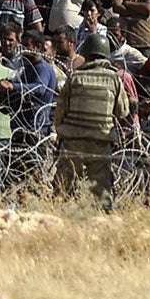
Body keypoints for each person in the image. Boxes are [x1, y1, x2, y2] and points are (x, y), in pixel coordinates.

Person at [53, 29, 130, 204]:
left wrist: (59, 134)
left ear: (86, 55)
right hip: (100, 142)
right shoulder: (114, 79)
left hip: (73, 141)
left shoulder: (75, 78)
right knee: (102, 194)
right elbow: (123, 111)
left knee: (62, 192)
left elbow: (60, 110)